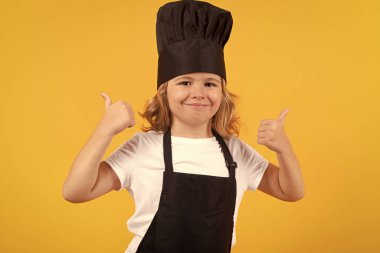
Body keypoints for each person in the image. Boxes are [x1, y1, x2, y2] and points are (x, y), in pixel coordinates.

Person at [62, 1, 305, 253]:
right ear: (164, 91)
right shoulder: (142, 147)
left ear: (223, 93)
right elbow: (75, 191)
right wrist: (105, 130)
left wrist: (284, 150)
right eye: (185, 83)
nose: (198, 93)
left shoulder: (236, 152)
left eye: (210, 84)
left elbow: (291, 191)